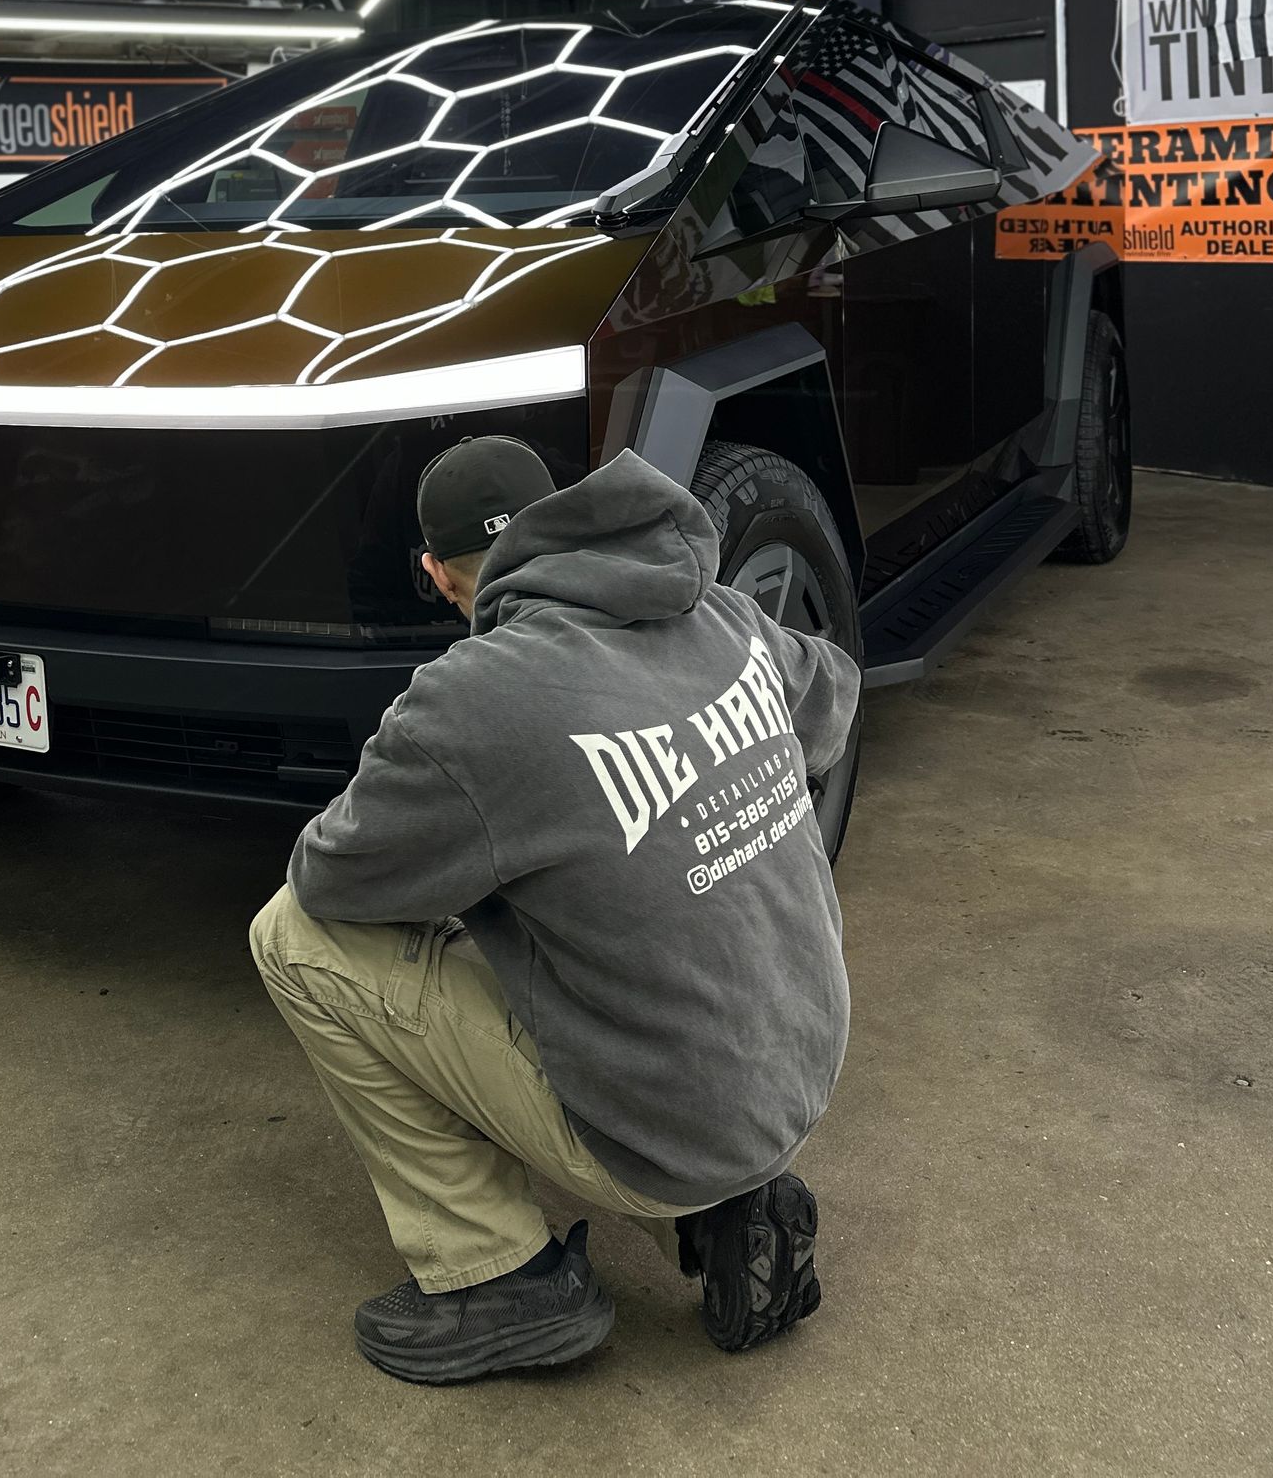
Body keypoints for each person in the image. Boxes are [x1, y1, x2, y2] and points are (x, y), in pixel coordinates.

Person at [249, 434, 861, 1385]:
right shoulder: (721, 611)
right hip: (801, 1066)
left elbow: (333, 879)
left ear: (436, 575)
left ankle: (500, 1276)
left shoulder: (475, 698)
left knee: (289, 935)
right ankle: (725, 1209)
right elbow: (833, 696)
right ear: (563, 519)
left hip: (668, 1123)